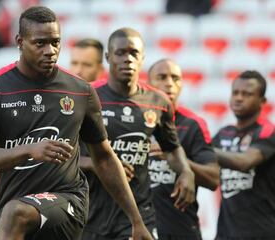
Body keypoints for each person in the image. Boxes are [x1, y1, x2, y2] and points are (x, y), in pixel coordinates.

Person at [0, 6, 152, 240]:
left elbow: (104, 157)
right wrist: (30, 150)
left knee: (15, 213)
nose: (50, 51)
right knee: (13, 213)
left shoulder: (80, 91)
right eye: (40, 43)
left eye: (56, 42)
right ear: (20, 41)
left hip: (68, 201)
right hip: (15, 212)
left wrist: (137, 222)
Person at [80, 28, 196, 240]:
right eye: (120, 53)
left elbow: (172, 148)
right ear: (108, 57)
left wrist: (187, 172)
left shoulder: (158, 103)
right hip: (90, 213)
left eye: (134, 53)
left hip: (137, 215)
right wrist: (97, 164)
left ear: (142, 58)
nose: (128, 59)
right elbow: (62, 155)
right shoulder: (87, 97)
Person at [147, 59, 219, 240]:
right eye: (162, 77)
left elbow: (213, 178)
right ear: (148, 84)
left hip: (180, 228)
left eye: (175, 78)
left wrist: (176, 158)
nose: (169, 83)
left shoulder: (193, 125)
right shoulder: (133, 121)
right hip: (138, 228)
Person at [212, 70, 275, 240]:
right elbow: (205, 169)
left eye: (247, 94)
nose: (239, 98)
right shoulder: (223, 133)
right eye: (235, 93)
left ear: (262, 101)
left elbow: (245, 162)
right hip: (225, 233)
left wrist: (200, 147)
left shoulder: (268, 131)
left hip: (262, 233)